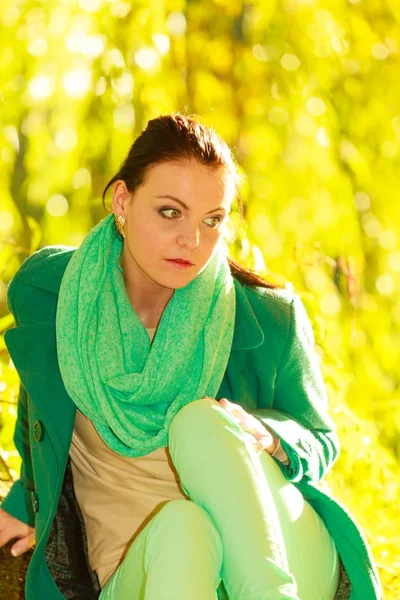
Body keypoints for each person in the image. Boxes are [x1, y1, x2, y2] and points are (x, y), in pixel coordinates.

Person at [0, 113, 381, 600]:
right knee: (184, 527)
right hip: (142, 573)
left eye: (212, 220)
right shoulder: (56, 294)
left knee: (199, 423)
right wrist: (23, 502)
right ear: (122, 200)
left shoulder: (266, 317)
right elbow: (41, 420)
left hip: (280, 553)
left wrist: (272, 436)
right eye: (169, 212)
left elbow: (322, 439)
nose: (192, 241)